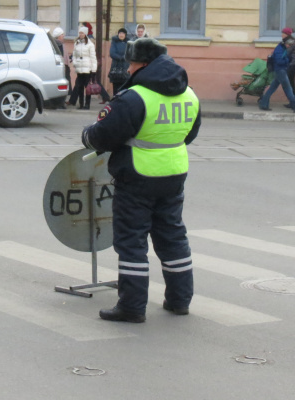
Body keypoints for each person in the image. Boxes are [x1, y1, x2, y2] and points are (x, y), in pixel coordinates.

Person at [81, 38, 201, 323]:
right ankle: (179, 300)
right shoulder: (190, 95)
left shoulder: (135, 97)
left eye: (131, 63)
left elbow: (103, 136)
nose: (128, 68)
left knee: (132, 242)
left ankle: (132, 307)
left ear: (142, 64)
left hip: (137, 176)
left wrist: (87, 135)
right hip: (173, 175)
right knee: (173, 236)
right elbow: (190, 135)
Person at [259, 27, 295, 112]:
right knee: (288, 89)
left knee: (272, 88)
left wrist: (287, 59)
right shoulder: (281, 47)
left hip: (280, 70)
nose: (290, 46)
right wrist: (288, 60)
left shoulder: (282, 46)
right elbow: (280, 60)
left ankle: (263, 104)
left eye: (283, 33)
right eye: (289, 44)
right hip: (281, 70)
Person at [68, 26, 97, 110]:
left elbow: (93, 58)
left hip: (87, 69)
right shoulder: (76, 43)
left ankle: (87, 105)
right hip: (79, 68)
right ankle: (81, 104)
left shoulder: (90, 44)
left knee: (87, 88)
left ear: (85, 34)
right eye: (80, 33)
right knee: (79, 87)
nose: (81, 34)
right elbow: (74, 55)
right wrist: (75, 63)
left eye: (82, 33)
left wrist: (94, 69)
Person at [109, 28, 129, 95]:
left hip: (125, 66)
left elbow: (129, 53)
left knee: (125, 86)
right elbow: (112, 53)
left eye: (123, 33)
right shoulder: (114, 42)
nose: (121, 35)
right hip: (116, 66)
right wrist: (121, 57)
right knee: (116, 86)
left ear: (125, 35)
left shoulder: (128, 43)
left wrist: (124, 57)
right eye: (120, 33)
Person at [52, 27, 69, 109]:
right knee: (62, 85)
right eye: (62, 34)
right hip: (60, 67)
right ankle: (60, 103)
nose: (63, 36)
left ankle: (59, 102)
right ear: (58, 36)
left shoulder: (56, 43)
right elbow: (60, 56)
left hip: (58, 67)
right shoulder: (59, 44)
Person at [283, 28, 295, 106]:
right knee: (290, 83)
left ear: (287, 34)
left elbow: (286, 53)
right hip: (293, 65)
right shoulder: (289, 41)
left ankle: (293, 102)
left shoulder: (290, 42)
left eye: (283, 33)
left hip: (292, 65)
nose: (281, 35)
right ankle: (293, 102)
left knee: (290, 84)